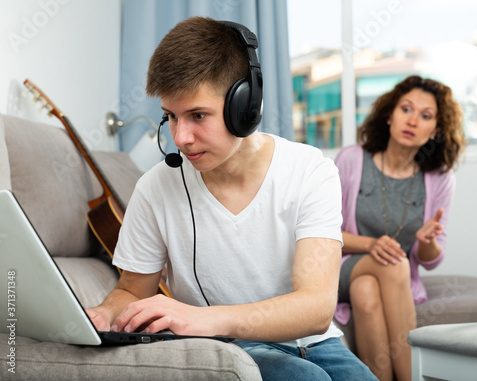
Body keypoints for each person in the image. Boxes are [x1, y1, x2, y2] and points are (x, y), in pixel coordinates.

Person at [87, 16, 376, 381]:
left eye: (197, 115)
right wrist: (103, 313)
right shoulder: (155, 187)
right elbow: (131, 289)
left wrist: (201, 317)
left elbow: (316, 309)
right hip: (223, 345)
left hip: (317, 343)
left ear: (244, 106)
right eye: (171, 117)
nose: (181, 138)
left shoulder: (310, 171)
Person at [335, 75, 466, 380]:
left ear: (435, 130)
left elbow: (432, 259)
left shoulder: (439, 178)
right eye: (406, 109)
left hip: (379, 279)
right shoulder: (352, 160)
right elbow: (323, 234)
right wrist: (369, 245)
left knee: (366, 292)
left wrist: (428, 241)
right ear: (389, 114)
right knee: (396, 265)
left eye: (426, 116)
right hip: (342, 268)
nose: (413, 120)